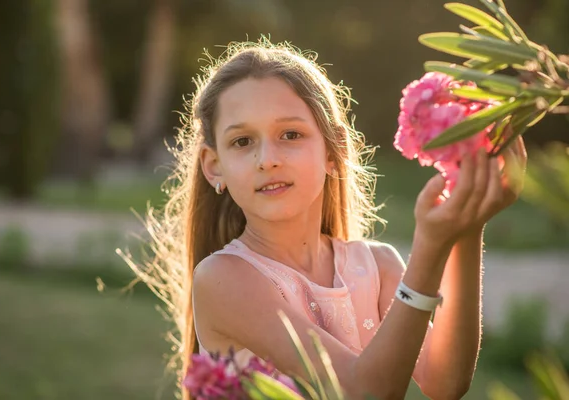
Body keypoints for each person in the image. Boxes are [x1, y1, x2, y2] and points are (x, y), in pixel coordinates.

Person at [131, 38, 527, 400]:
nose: (267, 159)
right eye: (242, 141)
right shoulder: (223, 278)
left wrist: (468, 227)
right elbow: (362, 393)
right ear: (214, 167)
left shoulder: (378, 266)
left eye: (290, 135)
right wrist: (430, 245)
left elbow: (446, 384)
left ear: (334, 152)